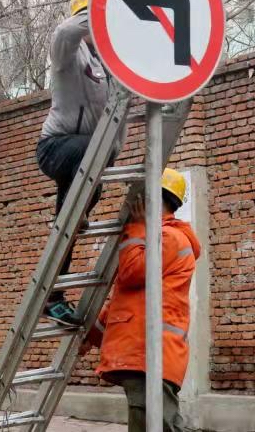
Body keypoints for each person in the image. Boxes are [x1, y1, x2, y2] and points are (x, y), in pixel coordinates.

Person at [81, 168, 200, 432]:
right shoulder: (155, 238)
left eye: (139, 197)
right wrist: (92, 336)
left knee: (161, 425)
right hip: (144, 352)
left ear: (152, 199)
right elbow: (126, 301)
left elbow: (132, 273)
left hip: (152, 352)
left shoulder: (168, 237)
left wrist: (135, 227)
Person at [36, 0, 125, 325]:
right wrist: (101, 11)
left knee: (70, 225)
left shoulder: (106, 64)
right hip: (56, 147)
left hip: (87, 157)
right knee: (91, 153)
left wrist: (113, 152)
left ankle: (53, 297)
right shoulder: (67, 54)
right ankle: (73, 216)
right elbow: (64, 31)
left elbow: (116, 112)